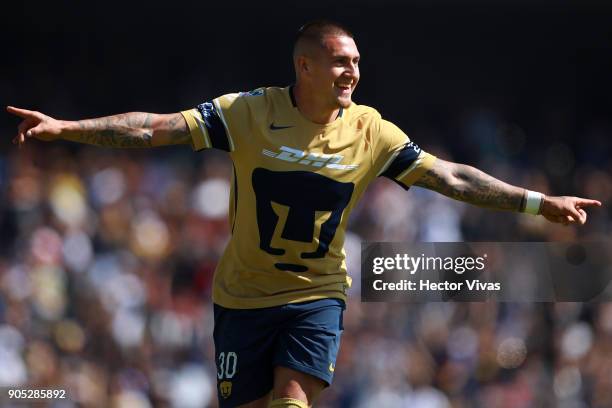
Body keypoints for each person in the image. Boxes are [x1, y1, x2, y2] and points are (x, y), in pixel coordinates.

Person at [7, 20, 601, 408]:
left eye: (358, 62)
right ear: (305, 68)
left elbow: (447, 175)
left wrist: (535, 201)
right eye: (340, 62)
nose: (353, 73)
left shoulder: (372, 131)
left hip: (316, 295)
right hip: (240, 298)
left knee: (292, 394)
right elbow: (155, 130)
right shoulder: (246, 112)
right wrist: (68, 128)